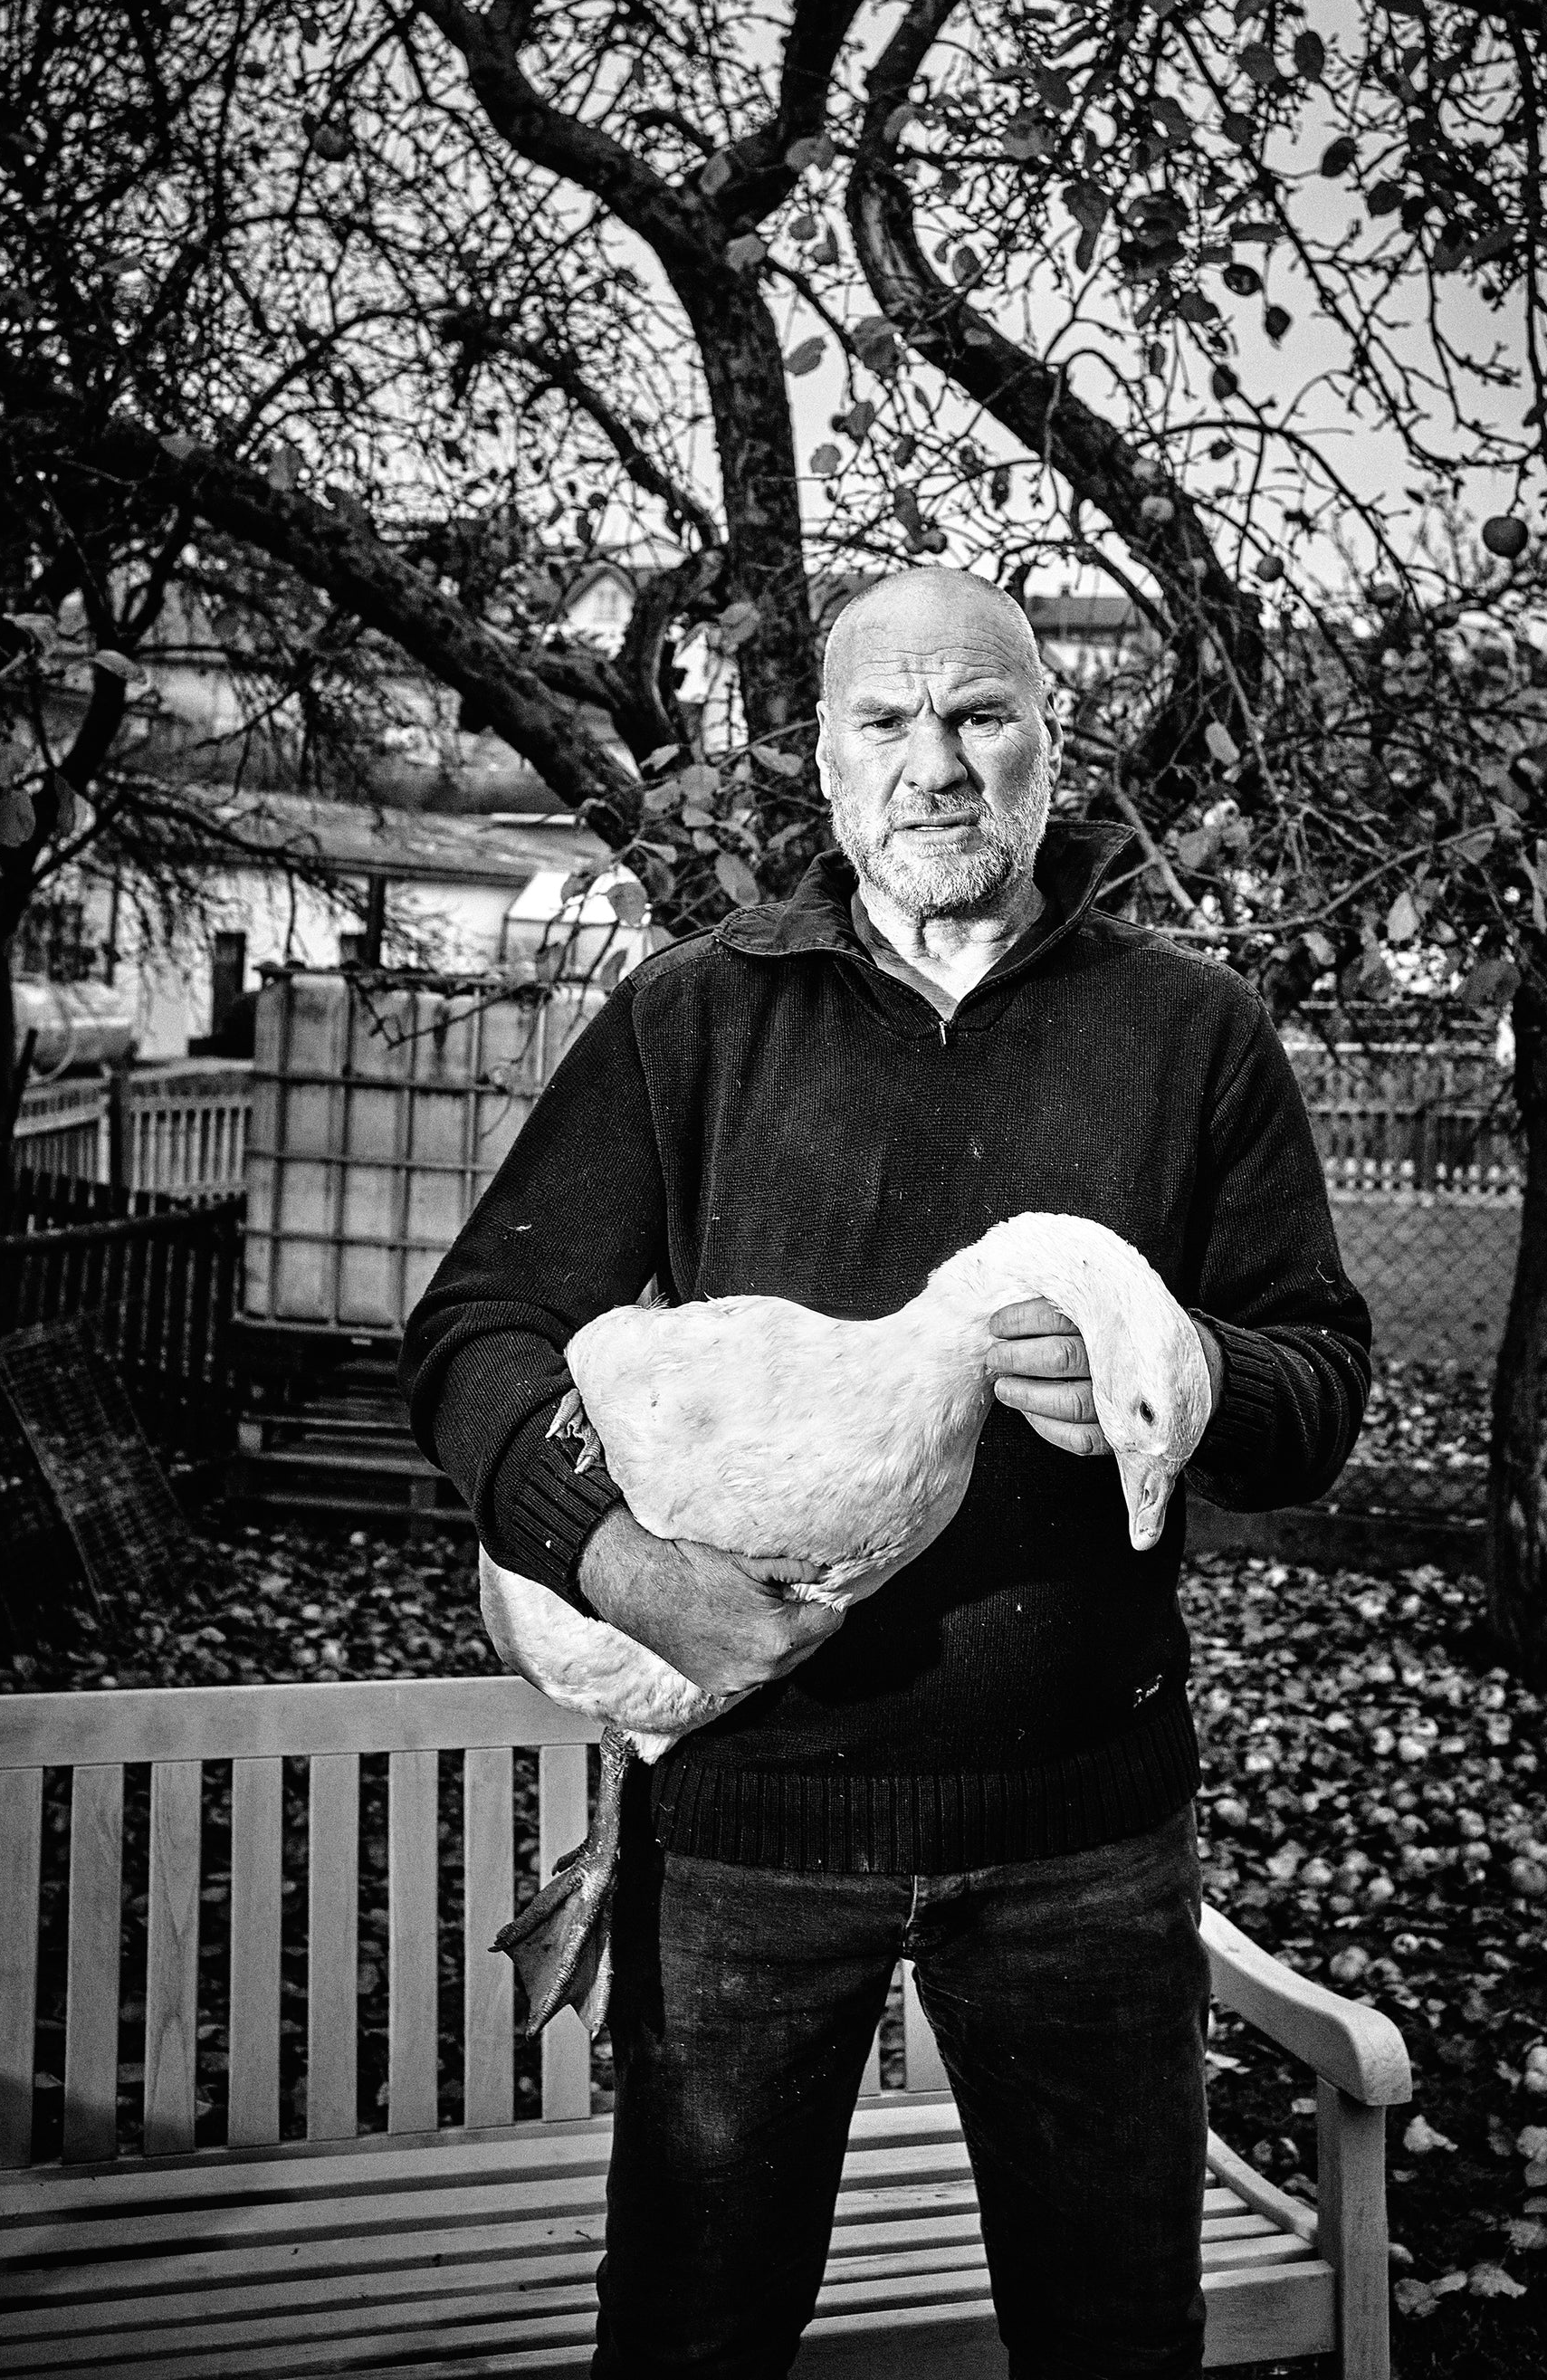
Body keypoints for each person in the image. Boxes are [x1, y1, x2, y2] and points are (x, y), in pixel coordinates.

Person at [401, 567, 1372, 2379]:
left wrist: (1185, 1367)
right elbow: (474, 1331)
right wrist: (605, 1558)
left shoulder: (1192, 1032)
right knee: (695, 2337)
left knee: (1112, 2343)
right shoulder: (699, 1017)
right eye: (885, 720)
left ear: (1047, 740)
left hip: (1081, 1837)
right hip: (752, 1833)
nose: (936, 763)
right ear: (824, 764)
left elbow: (1316, 1385)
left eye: (979, 714)